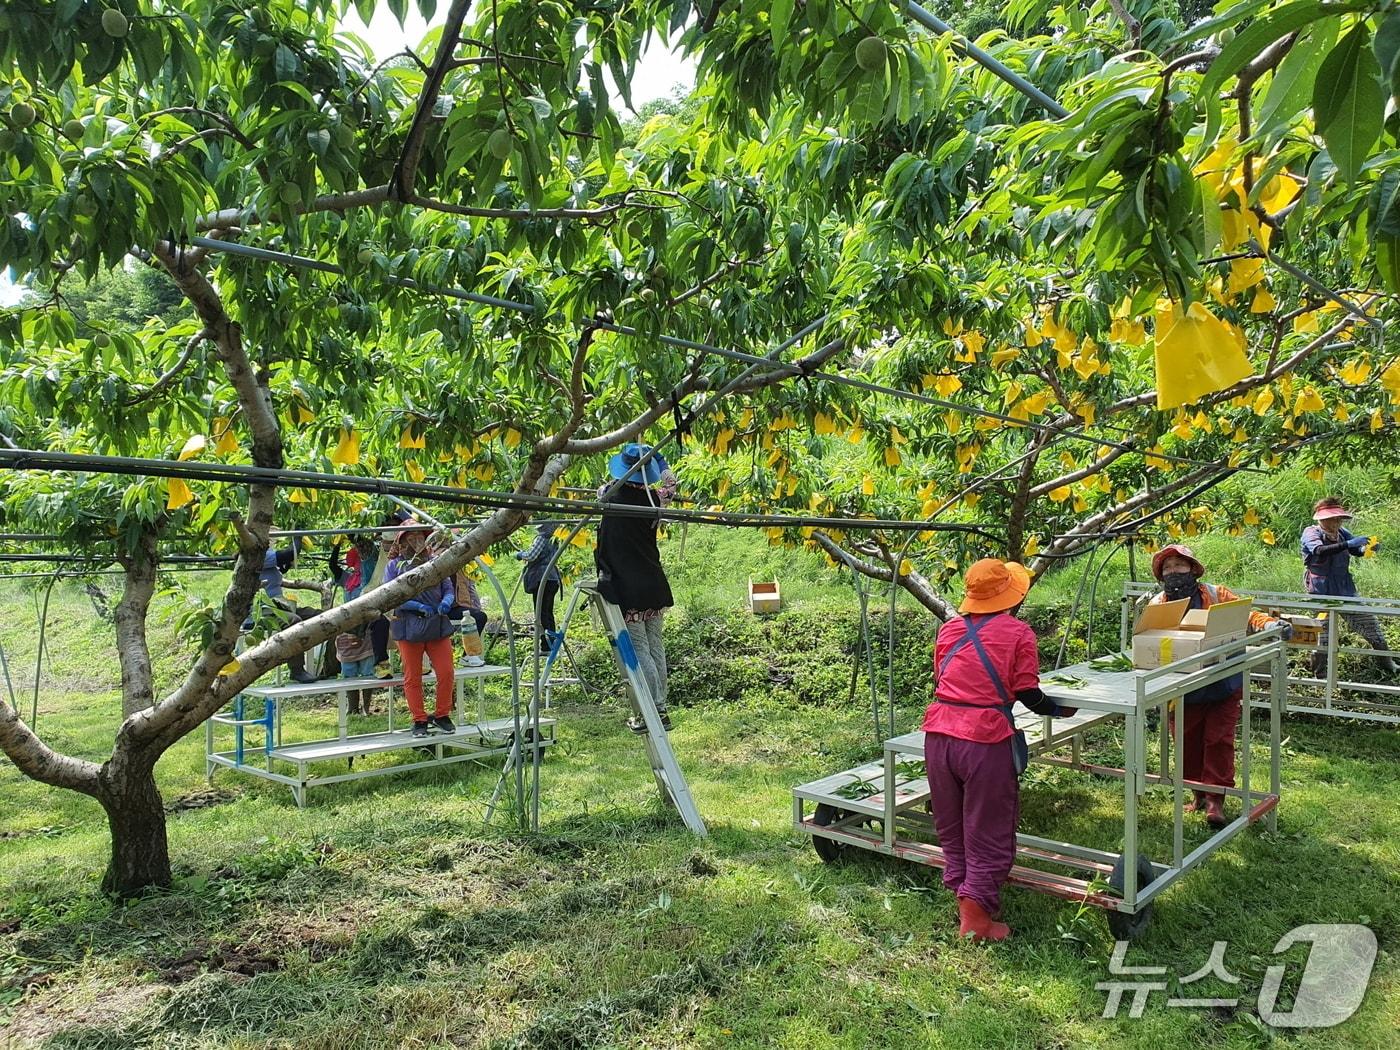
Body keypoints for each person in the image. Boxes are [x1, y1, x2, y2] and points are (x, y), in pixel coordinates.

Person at [922, 558, 1076, 942]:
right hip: (985, 741)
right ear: (1012, 594)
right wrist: (1060, 709)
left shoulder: (949, 630)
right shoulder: (1019, 633)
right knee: (988, 825)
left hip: (939, 735)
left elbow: (945, 679)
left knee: (952, 820)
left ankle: (964, 889)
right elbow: (1028, 694)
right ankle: (975, 919)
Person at [1148, 543, 1289, 828]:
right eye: (1167, 568)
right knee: (1186, 743)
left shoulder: (1215, 594)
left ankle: (1216, 799)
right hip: (1184, 687)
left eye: (1179, 565)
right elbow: (1151, 641)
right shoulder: (1159, 604)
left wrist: (1270, 625)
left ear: (1193, 569)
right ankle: (1197, 793)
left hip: (1223, 682)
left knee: (1218, 741)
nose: (1174, 571)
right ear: (1161, 576)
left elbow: (1247, 615)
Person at [595, 443, 677, 732]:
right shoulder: (656, 499)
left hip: (628, 585)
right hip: (653, 581)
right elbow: (672, 485)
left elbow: (603, 492)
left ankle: (652, 710)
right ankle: (662, 707)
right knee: (655, 645)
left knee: (641, 646)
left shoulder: (608, 494)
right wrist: (661, 459)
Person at [1299, 497, 1395, 676]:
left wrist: (1366, 549)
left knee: (1369, 622)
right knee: (1322, 633)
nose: (1336, 522)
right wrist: (1349, 544)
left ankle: (1387, 663)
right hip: (1321, 592)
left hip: (1344, 588)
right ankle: (1320, 675)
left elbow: (1353, 550)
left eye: (1338, 519)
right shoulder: (1311, 533)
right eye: (1332, 519)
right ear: (1322, 519)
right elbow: (1319, 551)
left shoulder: (1342, 532)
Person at [383, 523, 458, 738]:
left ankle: (442, 714)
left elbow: (448, 588)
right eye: (411, 536)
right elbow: (389, 596)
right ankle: (419, 719)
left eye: (419, 535)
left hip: (437, 623)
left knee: (446, 671)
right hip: (408, 626)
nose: (416, 540)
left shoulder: (435, 563)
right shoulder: (394, 566)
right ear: (402, 540)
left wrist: (446, 601)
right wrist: (415, 606)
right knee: (412, 675)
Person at [253, 544, 318, 684]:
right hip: (261, 607)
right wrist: (298, 537)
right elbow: (288, 554)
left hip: (278, 604)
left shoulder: (268, 552)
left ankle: (333, 666)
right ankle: (296, 669)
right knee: (294, 621)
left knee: (318, 615)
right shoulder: (255, 553)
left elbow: (282, 560)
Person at [516, 521, 562, 653]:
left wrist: (521, 555)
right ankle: (550, 643)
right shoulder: (556, 540)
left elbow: (531, 555)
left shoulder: (543, 538)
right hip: (552, 578)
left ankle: (547, 644)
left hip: (542, 578)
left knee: (541, 613)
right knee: (547, 612)